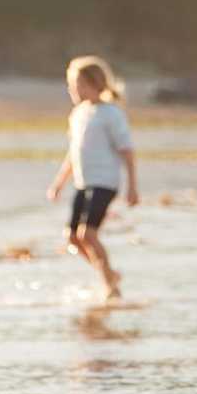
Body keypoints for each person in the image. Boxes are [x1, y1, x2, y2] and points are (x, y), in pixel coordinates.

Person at [46, 55, 139, 302]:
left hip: (105, 181)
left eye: (77, 84)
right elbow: (73, 153)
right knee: (72, 237)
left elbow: (127, 150)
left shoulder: (111, 114)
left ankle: (111, 285)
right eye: (71, 85)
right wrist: (58, 183)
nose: (73, 90)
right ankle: (109, 274)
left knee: (88, 234)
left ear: (95, 84)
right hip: (83, 181)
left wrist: (132, 186)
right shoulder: (78, 114)